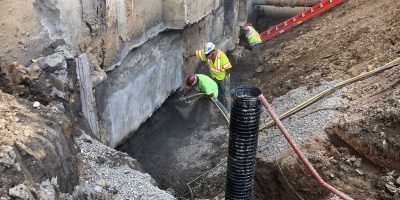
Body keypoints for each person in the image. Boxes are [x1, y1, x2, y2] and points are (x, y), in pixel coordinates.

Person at [184, 42, 232, 110]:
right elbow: (198, 53)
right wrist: (188, 55)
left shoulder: (221, 56)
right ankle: (218, 104)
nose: (207, 56)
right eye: (206, 54)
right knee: (217, 90)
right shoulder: (207, 54)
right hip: (214, 77)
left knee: (226, 94)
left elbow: (228, 67)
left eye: (208, 54)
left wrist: (226, 77)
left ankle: (228, 110)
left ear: (213, 51)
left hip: (223, 78)